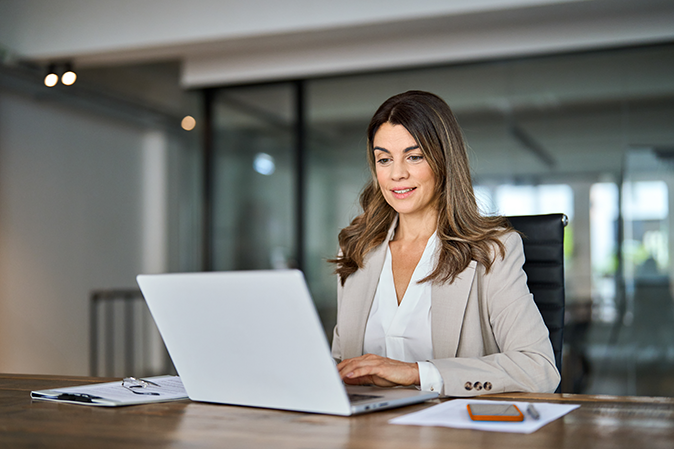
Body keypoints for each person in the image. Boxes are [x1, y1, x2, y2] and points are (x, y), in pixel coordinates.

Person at [330, 90, 560, 397]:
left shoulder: (491, 251)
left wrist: (415, 373)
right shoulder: (357, 249)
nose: (397, 173)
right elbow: (341, 363)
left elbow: (539, 370)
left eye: (414, 156)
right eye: (384, 159)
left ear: (443, 161)